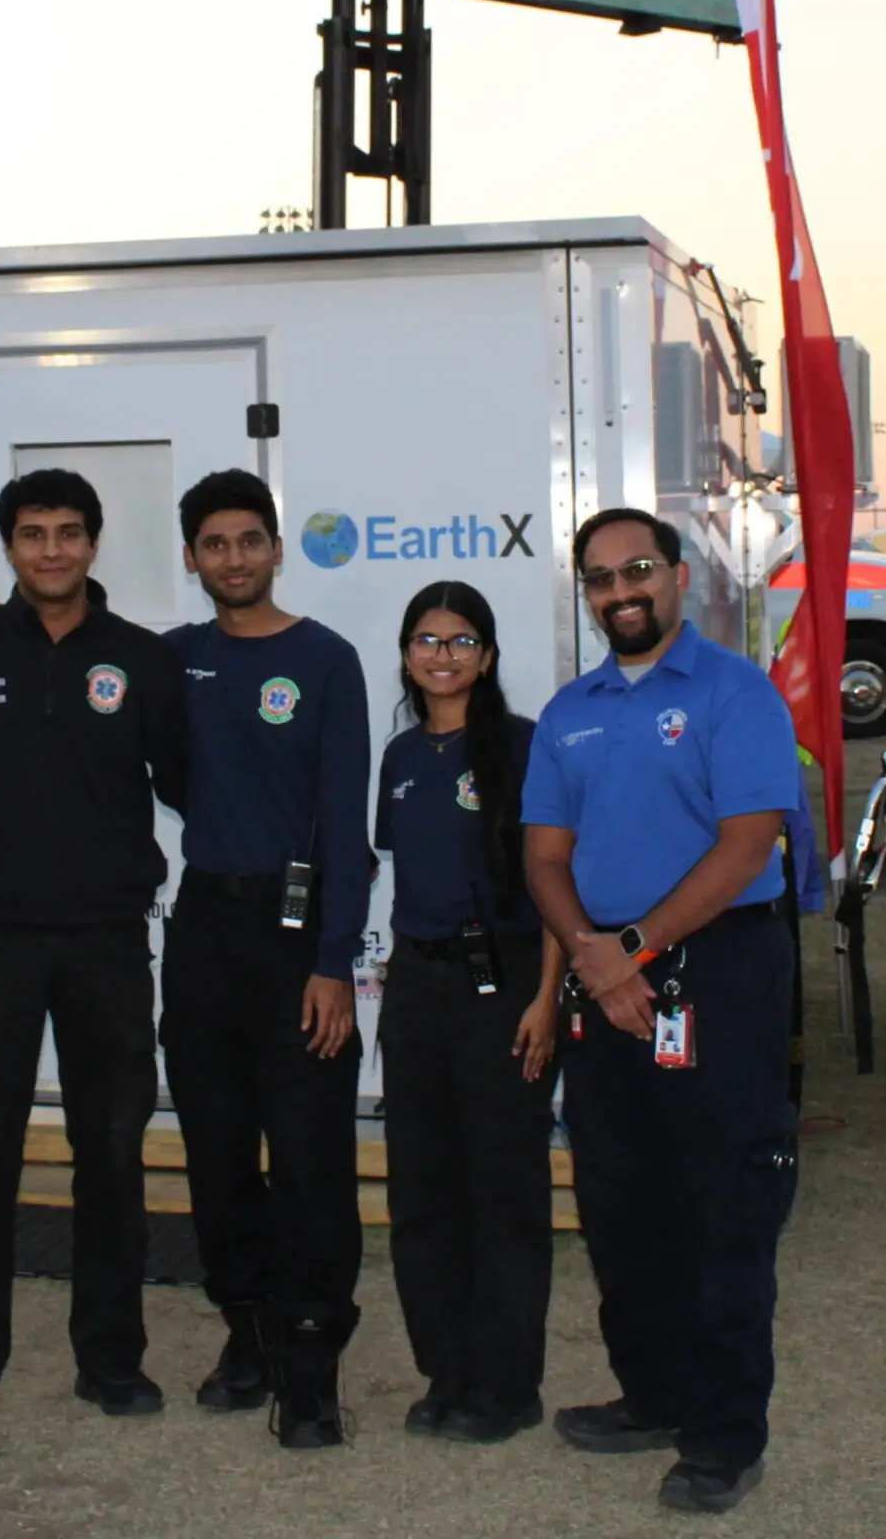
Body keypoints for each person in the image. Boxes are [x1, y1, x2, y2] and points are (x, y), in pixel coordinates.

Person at [523, 508, 803, 1517]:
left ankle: (725, 1437)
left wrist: (628, 949)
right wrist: (600, 962)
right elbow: (544, 858)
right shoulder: (570, 711)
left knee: (722, 1203)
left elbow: (747, 843)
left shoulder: (736, 693)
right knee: (621, 1199)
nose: (620, 590)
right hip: (606, 979)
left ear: (678, 578)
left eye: (636, 569)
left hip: (717, 971)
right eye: (599, 579)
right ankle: (653, 1395)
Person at [0, 468, 187, 1436]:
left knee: (109, 1154)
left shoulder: (142, 660)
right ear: (9, 547)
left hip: (107, 944)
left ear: (95, 542)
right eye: (33, 534)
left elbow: (190, 781)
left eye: (70, 532)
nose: (53, 550)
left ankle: (111, 1361)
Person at [155, 471, 372, 1447]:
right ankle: (248, 1334)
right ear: (193, 557)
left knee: (314, 1155)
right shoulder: (173, 660)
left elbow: (343, 827)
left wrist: (333, 963)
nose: (233, 558)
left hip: (302, 937)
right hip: (205, 929)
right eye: (214, 543)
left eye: (250, 540)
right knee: (216, 1151)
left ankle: (314, 1357)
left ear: (277, 549)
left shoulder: (327, 661)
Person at [376, 580, 561, 1448]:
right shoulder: (402, 758)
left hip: (505, 989)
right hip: (416, 988)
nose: (441, 655)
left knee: (503, 1194)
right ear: (408, 655)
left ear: (486, 657)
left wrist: (548, 996)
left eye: (460, 640)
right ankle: (445, 1372)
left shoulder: (525, 750)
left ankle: (506, 1384)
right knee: (422, 1191)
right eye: (426, 639)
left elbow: (560, 883)